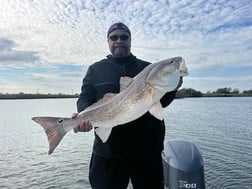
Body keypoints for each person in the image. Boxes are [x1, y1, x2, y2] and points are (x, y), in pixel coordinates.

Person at [72, 22, 182, 189]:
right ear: (108, 41)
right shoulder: (95, 69)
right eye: (113, 37)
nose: (119, 41)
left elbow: (162, 103)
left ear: (130, 40)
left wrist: (172, 88)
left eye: (123, 37)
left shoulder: (147, 68)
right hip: (108, 152)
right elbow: (85, 99)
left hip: (148, 152)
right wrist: (82, 118)